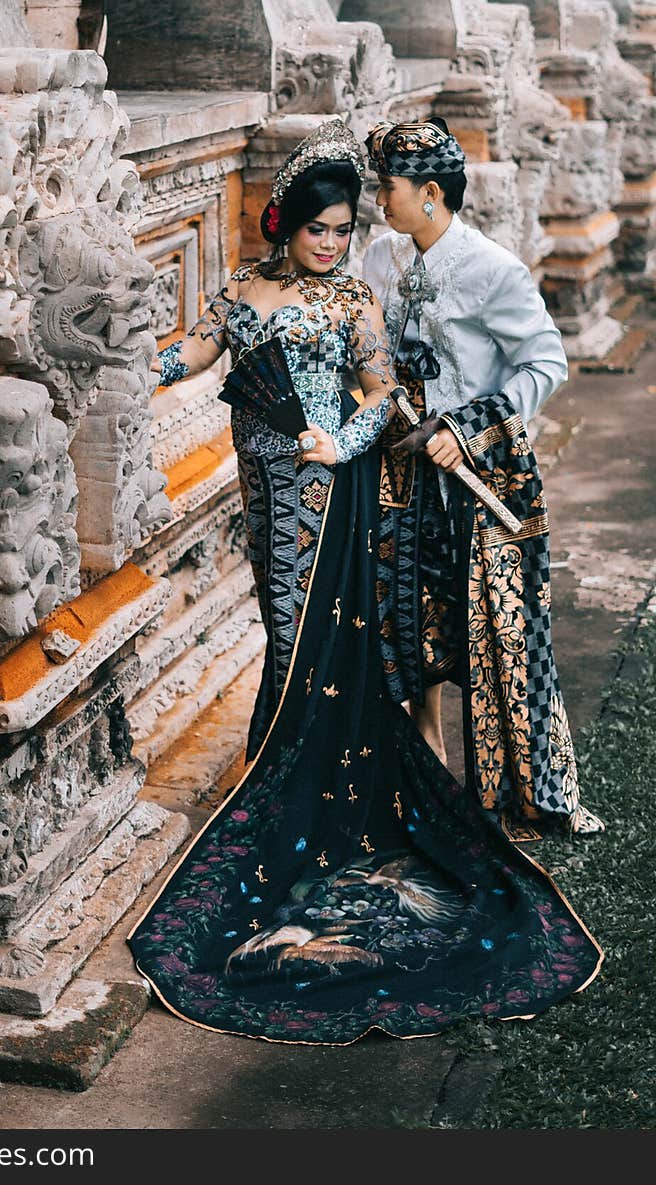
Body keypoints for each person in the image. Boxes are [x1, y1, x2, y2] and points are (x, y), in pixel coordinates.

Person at [127, 120, 601, 1044]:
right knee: (393, 640)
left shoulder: (460, 275)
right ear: (291, 225)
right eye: (328, 224)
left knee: (488, 645)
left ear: (427, 194)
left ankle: (498, 796)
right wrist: (134, 370)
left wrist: (418, 430)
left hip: (452, 484)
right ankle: (359, 765)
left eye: (368, 207)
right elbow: (205, 348)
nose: (348, 231)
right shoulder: (357, 266)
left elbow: (461, 373)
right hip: (364, 489)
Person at [362, 118, 604, 838]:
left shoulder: (495, 270)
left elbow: (547, 364)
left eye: (390, 187)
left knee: (499, 629)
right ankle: (427, 757)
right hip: (403, 475)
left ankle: (517, 787)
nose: (381, 199)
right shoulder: (380, 257)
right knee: (410, 614)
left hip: (484, 477)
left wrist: (464, 429)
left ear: (431, 193)